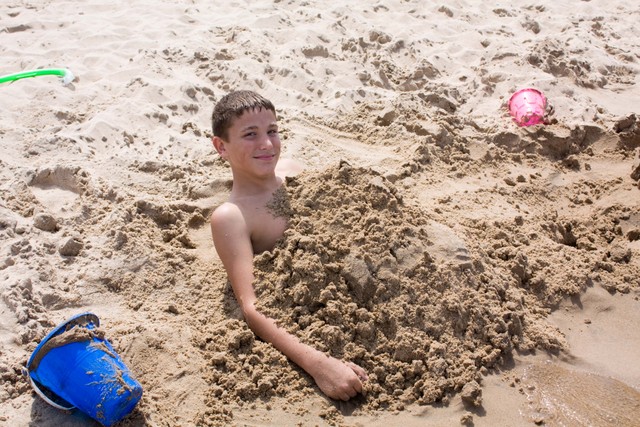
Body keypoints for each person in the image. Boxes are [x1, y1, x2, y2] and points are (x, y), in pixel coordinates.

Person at [209, 90, 368, 401]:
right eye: (250, 134)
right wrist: (320, 364)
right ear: (221, 146)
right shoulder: (232, 216)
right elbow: (253, 307)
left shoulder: (293, 171)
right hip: (312, 314)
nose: (267, 144)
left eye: (272, 131)